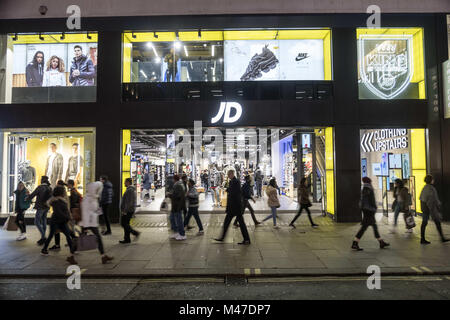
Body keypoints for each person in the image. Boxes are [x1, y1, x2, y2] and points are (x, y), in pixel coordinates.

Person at [41, 186, 77, 265]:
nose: (65, 192)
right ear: (61, 192)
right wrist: (68, 217)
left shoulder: (62, 200)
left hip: (62, 221)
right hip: (56, 222)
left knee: (68, 236)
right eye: (64, 191)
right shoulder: (56, 201)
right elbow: (59, 212)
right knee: (51, 236)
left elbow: (65, 211)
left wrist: (69, 217)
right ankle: (44, 249)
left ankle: (71, 255)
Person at [80, 181, 114, 264]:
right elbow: (85, 212)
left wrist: (101, 222)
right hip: (88, 223)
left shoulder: (94, 197)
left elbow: (96, 210)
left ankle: (103, 256)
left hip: (93, 222)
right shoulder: (87, 199)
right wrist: (86, 226)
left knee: (97, 239)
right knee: (82, 240)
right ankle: (71, 255)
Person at [352, 177, 390, 251]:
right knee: (365, 227)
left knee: (371, 226)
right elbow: (367, 199)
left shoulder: (366, 187)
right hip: (368, 210)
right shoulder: (367, 188)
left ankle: (380, 242)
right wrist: (373, 208)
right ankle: (355, 243)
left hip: (367, 209)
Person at [214, 170, 250, 245]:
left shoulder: (236, 181)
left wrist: (227, 190)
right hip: (233, 207)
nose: (228, 176)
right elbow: (233, 191)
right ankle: (223, 237)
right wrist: (228, 189)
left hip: (235, 207)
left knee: (239, 224)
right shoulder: (233, 181)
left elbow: (235, 193)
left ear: (231, 174)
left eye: (228, 175)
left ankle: (246, 239)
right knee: (228, 223)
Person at [419, 175, 449, 244]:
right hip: (430, 207)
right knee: (434, 222)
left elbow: (422, 198)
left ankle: (423, 239)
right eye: (432, 179)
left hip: (425, 207)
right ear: (431, 180)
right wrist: (438, 205)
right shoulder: (431, 189)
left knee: (426, 223)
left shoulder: (425, 187)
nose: (433, 180)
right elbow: (433, 199)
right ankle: (441, 238)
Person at [27, 176, 52, 245]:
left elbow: (33, 195)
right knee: (44, 221)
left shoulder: (40, 188)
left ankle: (43, 237)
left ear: (42, 180)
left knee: (36, 222)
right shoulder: (49, 188)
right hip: (46, 207)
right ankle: (42, 237)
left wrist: (27, 198)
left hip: (40, 207)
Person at [120, 178, 140, 244]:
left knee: (123, 223)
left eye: (125, 182)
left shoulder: (130, 190)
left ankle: (135, 233)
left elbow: (130, 202)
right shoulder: (130, 190)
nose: (124, 183)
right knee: (126, 224)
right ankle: (127, 239)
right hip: (129, 210)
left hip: (128, 210)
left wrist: (125, 210)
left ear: (128, 182)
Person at [169, 174, 187, 240]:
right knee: (172, 218)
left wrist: (171, 195)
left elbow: (179, 196)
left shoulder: (178, 185)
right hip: (175, 205)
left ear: (174, 179)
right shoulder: (178, 185)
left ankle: (182, 234)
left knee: (179, 220)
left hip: (177, 206)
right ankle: (176, 232)